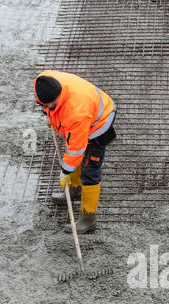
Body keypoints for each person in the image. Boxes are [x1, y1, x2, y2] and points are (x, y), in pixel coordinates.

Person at [34, 70, 116, 234]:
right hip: (83, 114)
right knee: (74, 157)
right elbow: (48, 106)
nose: (47, 107)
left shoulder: (76, 112)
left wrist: (65, 172)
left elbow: (76, 149)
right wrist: (51, 114)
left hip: (98, 124)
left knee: (90, 170)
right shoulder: (43, 80)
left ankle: (88, 219)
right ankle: (73, 190)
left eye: (50, 104)